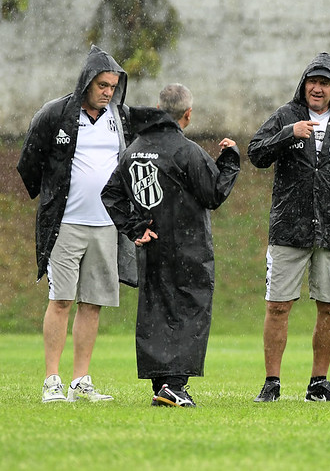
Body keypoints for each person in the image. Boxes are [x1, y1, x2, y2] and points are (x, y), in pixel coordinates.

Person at [248, 52, 330, 403]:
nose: (317, 88)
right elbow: (256, 153)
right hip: (289, 227)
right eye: (312, 81)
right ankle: (272, 382)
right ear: (303, 84)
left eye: (324, 83)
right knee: (278, 305)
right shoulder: (286, 117)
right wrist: (289, 134)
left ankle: (318, 383)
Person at [102, 84, 240, 407]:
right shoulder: (185, 150)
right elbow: (214, 193)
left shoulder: (134, 148)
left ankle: (161, 385)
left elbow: (111, 194)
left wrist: (135, 227)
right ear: (187, 114)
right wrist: (231, 158)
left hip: (151, 248)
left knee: (156, 311)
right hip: (187, 246)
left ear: (159, 107)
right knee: (189, 309)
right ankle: (175, 385)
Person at [17, 45, 136, 403]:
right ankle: (52, 380)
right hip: (66, 225)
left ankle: (80, 380)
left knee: (93, 303)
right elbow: (30, 164)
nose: (108, 92)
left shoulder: (121, 116)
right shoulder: (55, 114)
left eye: (113, 86)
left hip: (107, 226)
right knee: (62, 299)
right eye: (102, 84)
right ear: (86, 81)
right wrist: (52, 198)